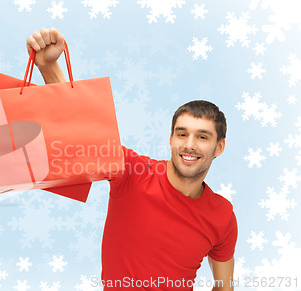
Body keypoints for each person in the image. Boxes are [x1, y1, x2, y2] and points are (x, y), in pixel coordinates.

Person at [26, 28, 238, 290]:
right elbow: (84, 131)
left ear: (219, 147)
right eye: (182, 134)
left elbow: (224, 286)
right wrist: (49, 66)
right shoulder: (134, 172)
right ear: (171, 139)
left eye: (203, 137)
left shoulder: (223, 215)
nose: (190, 145)